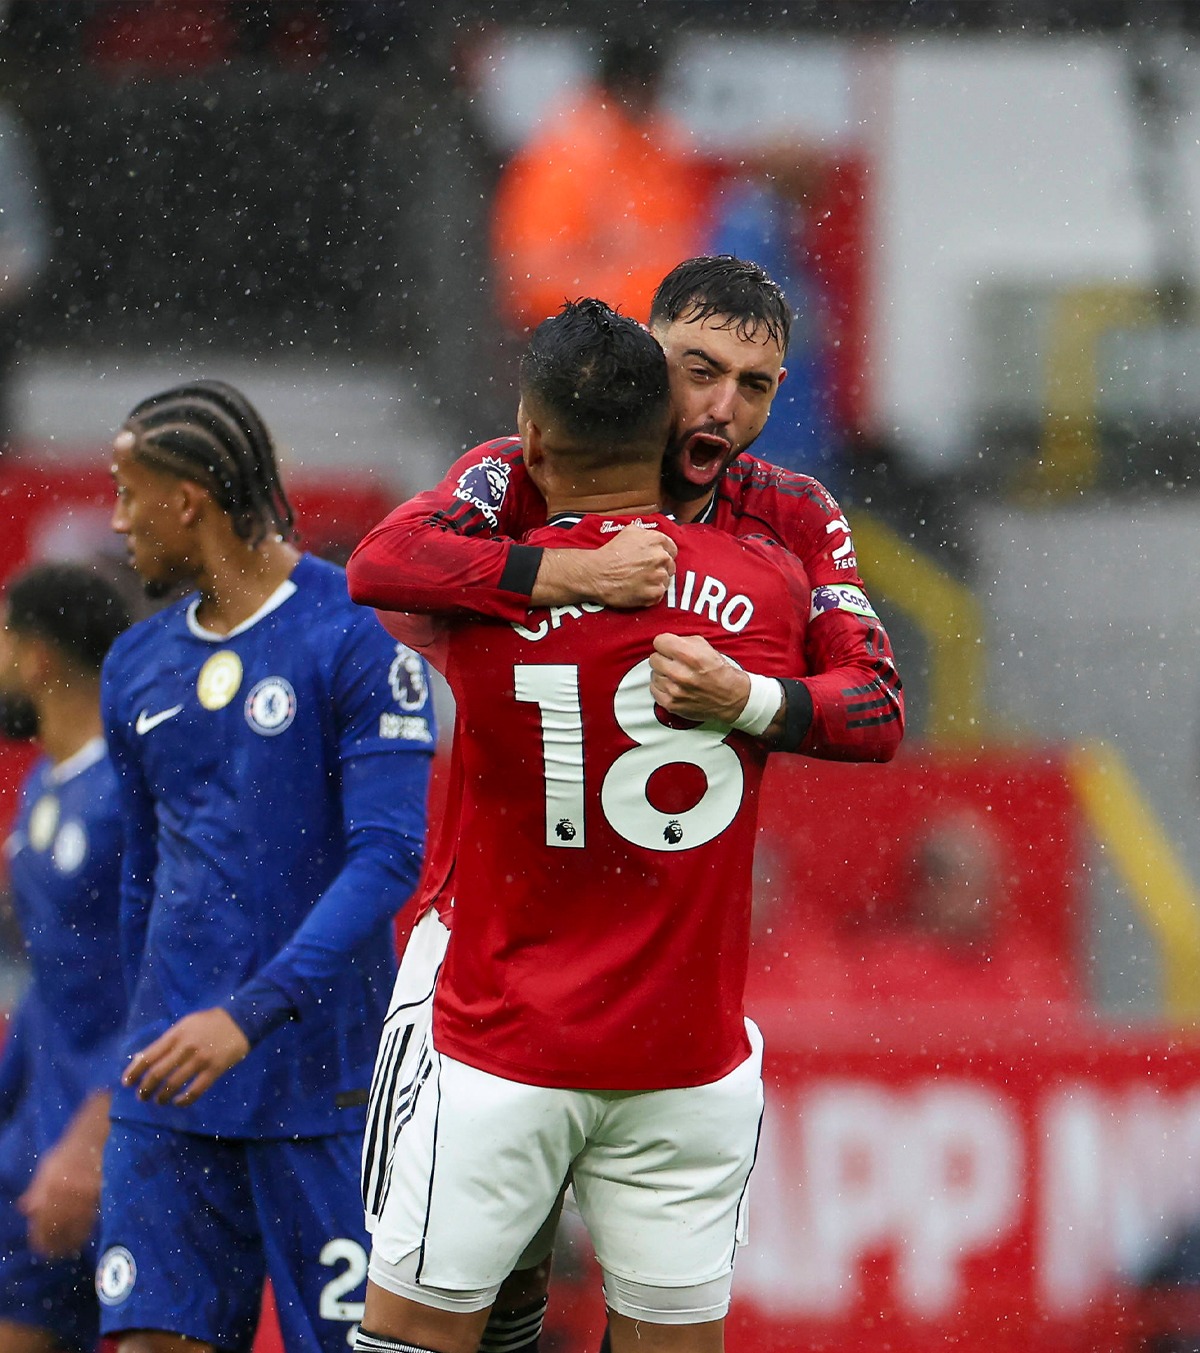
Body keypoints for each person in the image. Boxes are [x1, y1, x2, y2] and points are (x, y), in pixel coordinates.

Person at [347, 253, 904, 1353]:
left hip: (628, 967)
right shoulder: (524, 470)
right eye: (701, 370)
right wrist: (570, 578)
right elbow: (384, 560)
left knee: (477, 1299)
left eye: (757, 387)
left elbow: (877, 706)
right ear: (649, 358)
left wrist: (751, 697)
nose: (724, 408)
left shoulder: (789, 515)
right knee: (505, 1286)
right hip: (484, 941)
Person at [96, 380, 436, 1353]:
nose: (118, 521)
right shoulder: (136, 667)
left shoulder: (354, 635)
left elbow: (389, 859)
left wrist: (246, 1016)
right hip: (169, 1095)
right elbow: (142, 879)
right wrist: (143, 1030)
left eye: (129, 495)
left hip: (323, 1095)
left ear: (187, 499)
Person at [0, 561, 131, 1353]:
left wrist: (92, 1141)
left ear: (37, 655)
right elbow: (54, 985)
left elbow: (166, 979)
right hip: (37, 1147)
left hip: (123, 1146)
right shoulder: (43, 784)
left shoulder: (130, 792)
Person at [489, 31, 708, 334]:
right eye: (650, 89)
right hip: (584, 347)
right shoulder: (568, 157)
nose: (656, 102)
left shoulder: (659, 151)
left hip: (645, 339)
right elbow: (534, 277)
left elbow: (680, 247)